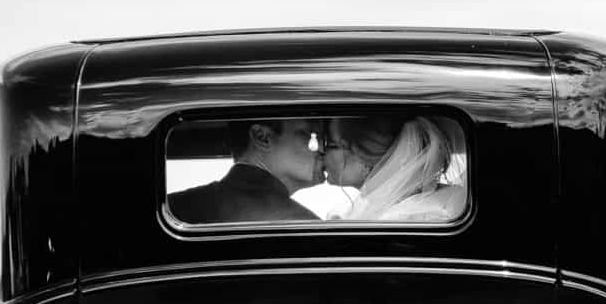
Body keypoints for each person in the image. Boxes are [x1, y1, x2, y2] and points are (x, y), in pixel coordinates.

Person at [168, 118, 325, 223]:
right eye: (311, 135)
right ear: (262, 137)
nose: (323, 149)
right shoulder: (304, 225)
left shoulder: (171, 209)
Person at [323, 113, 466, 221]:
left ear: (362, 156)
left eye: (329, 144)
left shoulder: (412, 217)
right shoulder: (356, 209)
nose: (321, 152)